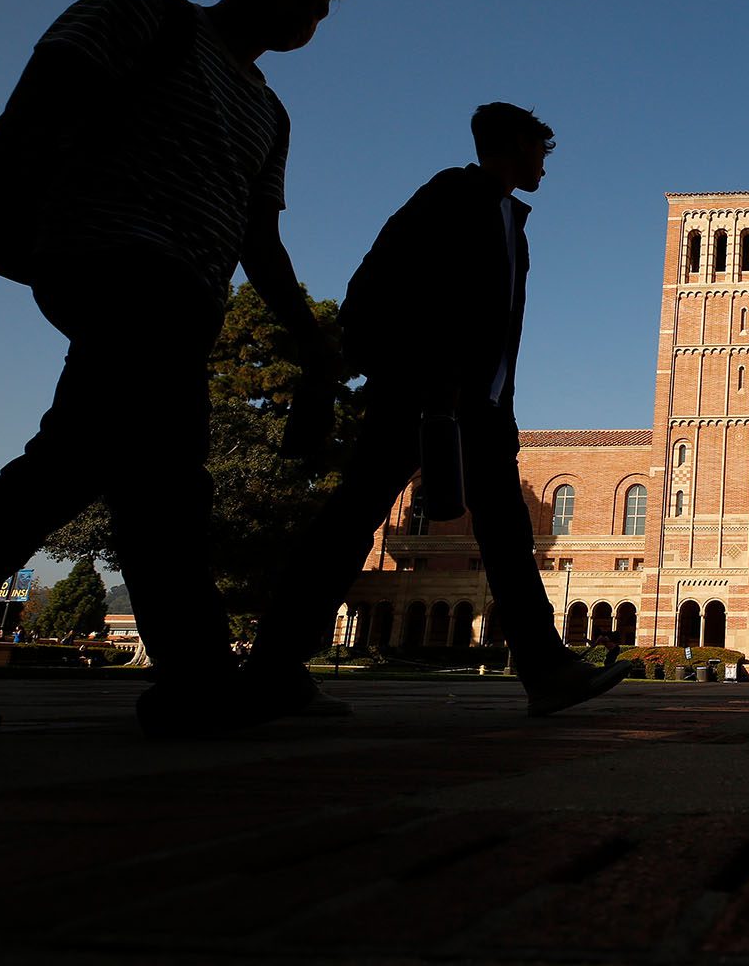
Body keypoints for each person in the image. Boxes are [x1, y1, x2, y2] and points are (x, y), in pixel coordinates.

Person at [0, 0, 345, 736]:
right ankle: (201, 681)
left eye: (319, 14)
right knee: (160, 478)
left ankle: (195, 681)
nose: (305, 22)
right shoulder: (143, 14)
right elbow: (30, 115)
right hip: (108, 259)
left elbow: (260, 240)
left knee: (95, 470)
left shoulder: (268, 112)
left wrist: (308, 339)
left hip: (186, 296)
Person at [246, 103, 630, 718]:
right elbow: (376, 283)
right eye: (538, 152)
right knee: (355, 519)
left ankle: (546, 668)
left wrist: (495, 395)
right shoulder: (450, 197)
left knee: (502, 531)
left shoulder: (509, 216)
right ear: (508, 148)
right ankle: (270, 668)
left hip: (481, 403)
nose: (544, 166)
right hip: (424, 393)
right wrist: (422, 372)